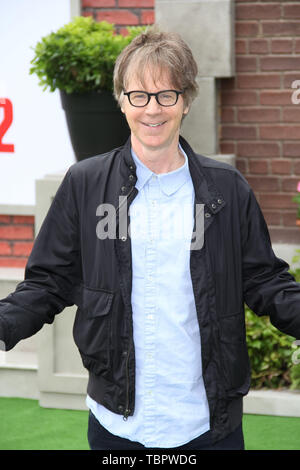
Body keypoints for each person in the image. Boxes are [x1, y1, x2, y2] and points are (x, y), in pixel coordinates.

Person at [1, 27, 300, 451]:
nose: (152, 109)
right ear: (122, 100)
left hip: (207, 423)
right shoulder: (85, 185)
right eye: (138, 94)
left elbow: (265, 281)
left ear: (186, 100)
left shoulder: (226, 190)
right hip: (117, 426)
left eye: (167, 95)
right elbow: (48, 283)